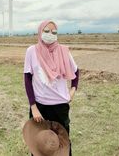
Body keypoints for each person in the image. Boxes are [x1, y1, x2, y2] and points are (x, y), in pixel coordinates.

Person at [24, 20, 79, 156]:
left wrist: (73, 90)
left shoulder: (64, 51)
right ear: (40, 32)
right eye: (46, 31)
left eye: (54, 32)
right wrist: (33, 107)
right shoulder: (32, 51)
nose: (50, 34)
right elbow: (27, 78)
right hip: (40, 107)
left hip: (60, 106)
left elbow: (76, 71)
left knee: (61, 143)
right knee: (39, 144)